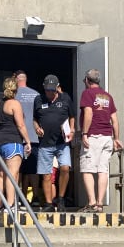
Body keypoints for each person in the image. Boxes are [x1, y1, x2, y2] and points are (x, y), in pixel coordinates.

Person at [78, 68, 122, 213]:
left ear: (87, 80)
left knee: (87, 169)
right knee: (103, 170)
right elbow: (114, 119)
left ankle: (91, 203)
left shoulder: (87, 93)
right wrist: (116, 138)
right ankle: (100, 204)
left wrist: (84, 133)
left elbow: (88, 112)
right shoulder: (108, 96)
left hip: (94, 136)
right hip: (107, 137)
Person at [33, 74, 75, 212]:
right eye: (47, 90)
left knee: (65, 168)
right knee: (46, 174)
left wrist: (72, 129)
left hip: (62, 142)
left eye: (52, 90)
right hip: (45, 143)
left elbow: (72, 116)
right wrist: (37, 127)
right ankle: (48, 204)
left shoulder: (65, 98)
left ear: (57, 88)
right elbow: (34, 118)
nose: (50, 93)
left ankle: (61, 198)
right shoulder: (38, 100)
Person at [0, 77, 31, 212]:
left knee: (1, 174)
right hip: (12, 141)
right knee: (12, 174)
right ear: (16, 89)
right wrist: (28, 141)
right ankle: (11, 204)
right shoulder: (15, 104)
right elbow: (20, 124)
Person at [12, 70, 41, 205]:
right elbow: (41, 115)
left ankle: (19, 197)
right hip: (34, 136)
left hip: (18, 137)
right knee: (33, 169)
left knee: (18, 168)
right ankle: (35, 196)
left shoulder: (13, 95)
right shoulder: (36, 94)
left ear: (16, 79)